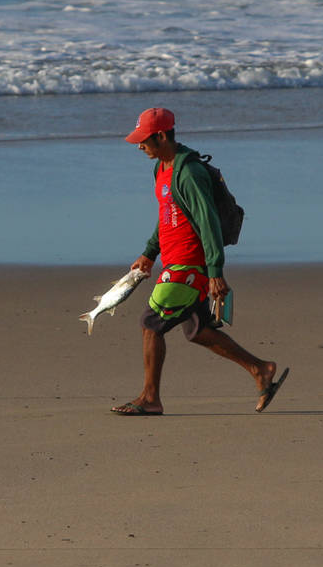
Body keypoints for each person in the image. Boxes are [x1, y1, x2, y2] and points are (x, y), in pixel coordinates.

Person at [110, 107, 289, 416]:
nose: (139, 146)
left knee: (151, 324)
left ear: (162, 136)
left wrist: (215, 271)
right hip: (173, 260)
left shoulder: (189, 173)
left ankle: (150, 398)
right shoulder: (162, 169)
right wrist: (150, 252)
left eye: (144, 140)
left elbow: (208, 223)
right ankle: (260, 369)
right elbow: (166, 215)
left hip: (189, 265)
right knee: (197, 330)